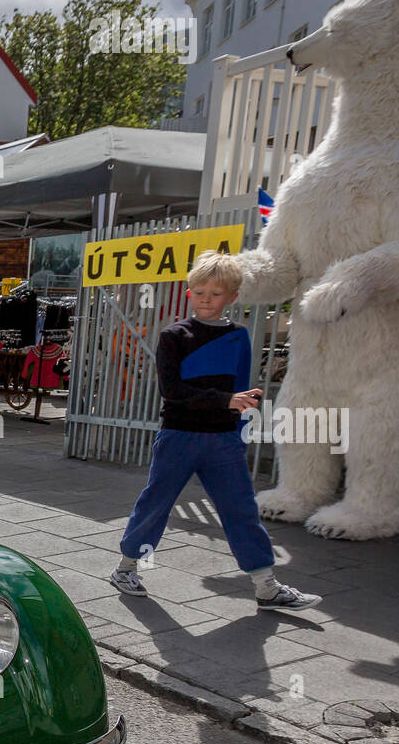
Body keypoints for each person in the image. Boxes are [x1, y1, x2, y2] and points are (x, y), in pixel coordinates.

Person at [110, 252, 321, 611]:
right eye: (200, 291)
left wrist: (237, 427)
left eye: (216, 293)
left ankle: (266, 586)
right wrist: (227, 401)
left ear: (232, 297)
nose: (207, 298)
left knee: (241, 510)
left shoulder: (239, 336)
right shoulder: (174, 336)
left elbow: (241, 387)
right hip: (179, 436)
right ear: (189, 292)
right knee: (156, 504)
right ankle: (127, 568)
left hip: (224, 441)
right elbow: (172, 393)